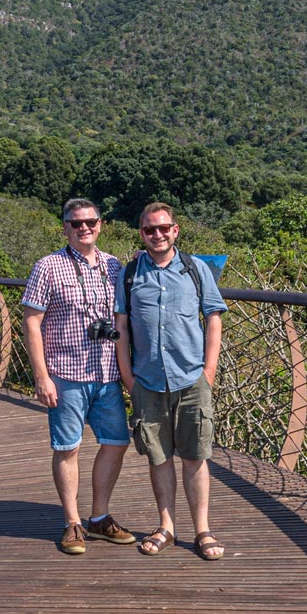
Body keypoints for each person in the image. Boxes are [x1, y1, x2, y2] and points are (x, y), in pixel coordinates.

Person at [21, 197, 136, 556]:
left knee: (116, 442)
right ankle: (72, 522)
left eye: (91, 221)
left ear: (101, 224)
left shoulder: (114, 266)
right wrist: (42, 377)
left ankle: (99, 517)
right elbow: (31, 322)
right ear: (65, 228)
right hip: (65, 373)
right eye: (76, 223)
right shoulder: (48, 267)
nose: (84, 228)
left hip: (106, 372)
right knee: (67, 447)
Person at [115, 202, 228, 560]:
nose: (158, 234)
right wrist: (129, 378)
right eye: (150, 230)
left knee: (196, 456)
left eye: (164, 228)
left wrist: (208, 372)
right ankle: (166, 526)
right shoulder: (130, 273)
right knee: (158, 458)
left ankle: (202, 530)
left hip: (192, 378)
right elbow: (121, 327)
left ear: (175, 230)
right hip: (148, 381)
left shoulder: (196, 269)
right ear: (142, 234)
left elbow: (213, 317)